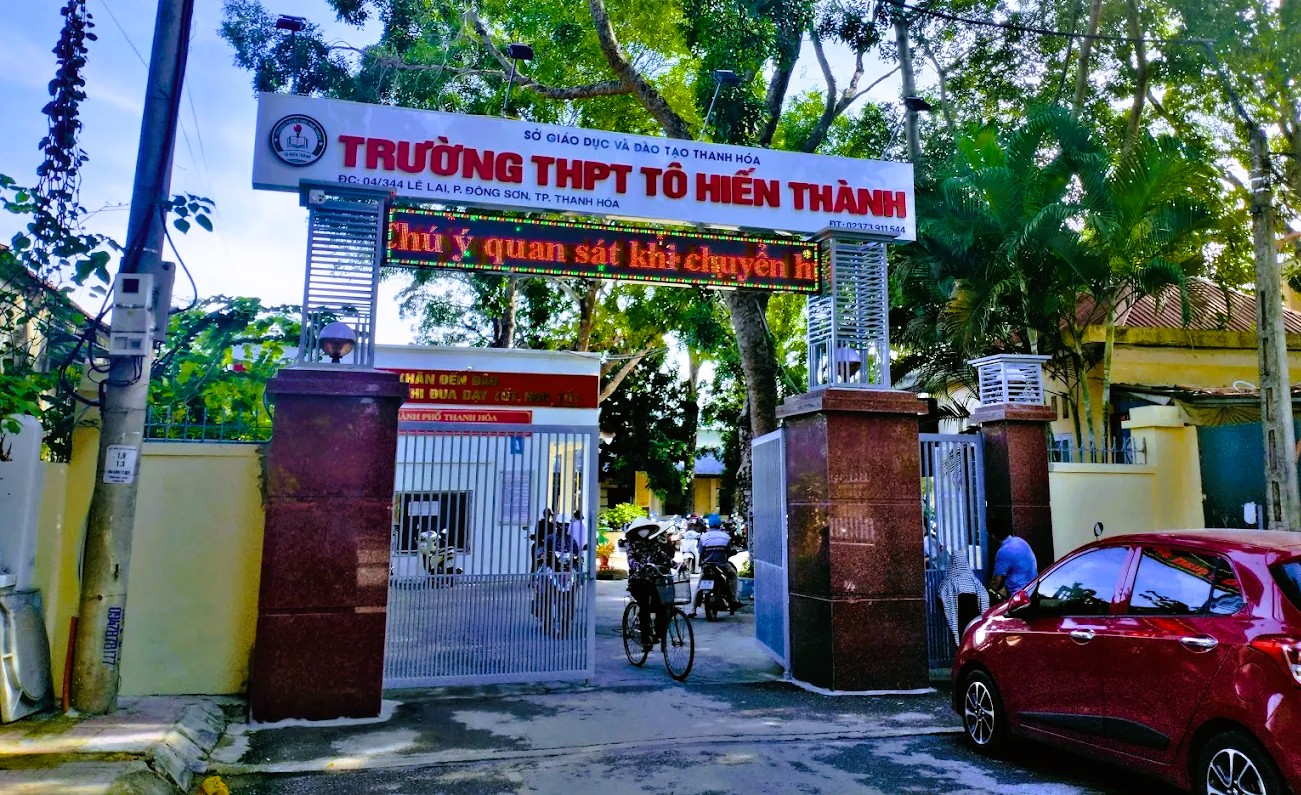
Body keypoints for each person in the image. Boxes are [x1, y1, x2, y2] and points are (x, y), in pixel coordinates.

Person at [625, 519, 675, 651]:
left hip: (653, 581)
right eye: (641, 529)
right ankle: (645, 638)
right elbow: (631, 560)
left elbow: (663, 557)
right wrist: (639, 567)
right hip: (637, 582)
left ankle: (659, 633)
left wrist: (676, 564)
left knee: (661, 606)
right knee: (645, 607)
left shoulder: (653, 544)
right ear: (636, 531)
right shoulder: (631, 545)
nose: (644, 531)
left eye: (646, 528)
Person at [939, 549, 989, 647]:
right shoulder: (975, 582)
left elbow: (941, 597)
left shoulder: (948, 583)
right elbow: (985, 598)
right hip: (975, 621)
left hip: (959, 623)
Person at [699, 522, 744, 612]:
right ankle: (733, 599)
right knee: (733, 575)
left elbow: (700, 552)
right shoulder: (725, 536)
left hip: (707, 565)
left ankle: (693, 609)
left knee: (699, 584)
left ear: (709, 526)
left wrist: (702, 562)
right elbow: (728, 551)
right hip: (722, 565)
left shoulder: (703, 537)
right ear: (720, 525)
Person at [989, 526, 1038, 602]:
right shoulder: (1020, 541)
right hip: (1033, 590)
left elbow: (996, 582)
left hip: (1019, 598)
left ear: (993, 536)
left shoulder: (1003, 551)